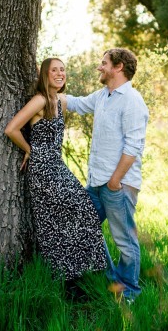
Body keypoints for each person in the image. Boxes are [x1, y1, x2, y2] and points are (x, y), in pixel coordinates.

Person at [5, 58, 107, 283]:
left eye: (63, 70)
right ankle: (67, 278)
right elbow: (11, 129)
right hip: (43, 168)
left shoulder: (60, 100)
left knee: (78, 213)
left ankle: (76, 274)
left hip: (56, 164)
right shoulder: (40, 100)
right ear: (45, 75)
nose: (60, 74)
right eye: (54, 70)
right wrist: (29, 149)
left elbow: (91, 103)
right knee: (59, 218)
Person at [65, 48, 149, 302]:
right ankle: (114, 281)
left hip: (118, 185)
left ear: (118, 67)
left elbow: (134, 146)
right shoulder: (103, 96)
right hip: (96, 183)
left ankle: (130, 294)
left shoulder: (132, 100)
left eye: (104, 63)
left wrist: (115, 181)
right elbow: (77, 104)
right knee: (83, 227)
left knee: (125, 241)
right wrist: (48, 89)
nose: (99, 67)